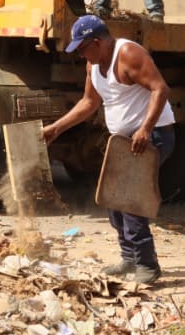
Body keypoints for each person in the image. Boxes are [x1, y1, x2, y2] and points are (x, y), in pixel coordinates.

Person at [42, 15, 175, 283]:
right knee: (111, 194)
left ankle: (147, 265)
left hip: (152, 136)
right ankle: (129, 258)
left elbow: (160, 89)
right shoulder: (93, 65)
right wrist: (56, 128)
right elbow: (89, 103)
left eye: (83, 49)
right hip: (123, 141)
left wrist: (145, 128)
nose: (81, 55)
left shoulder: (128, 54)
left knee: (128, 195)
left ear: (97, 42)